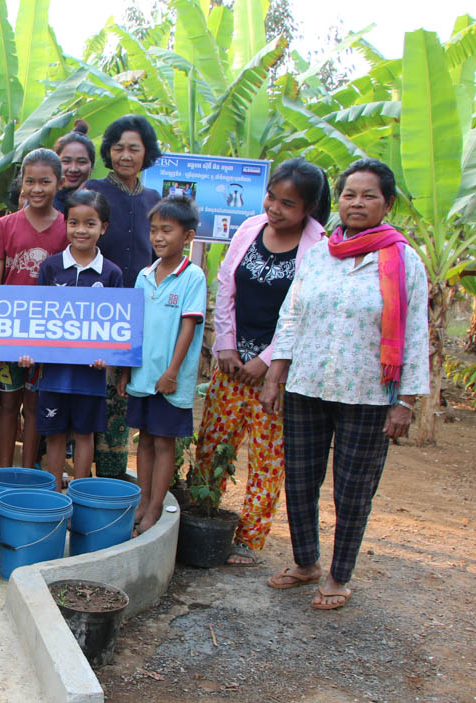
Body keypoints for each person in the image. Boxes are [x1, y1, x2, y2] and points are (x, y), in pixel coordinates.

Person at [261, 158, 428, 611]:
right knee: (299, 480)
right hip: (307, 385)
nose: (357, 203)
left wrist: (406, 401)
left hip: (369, 393)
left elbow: (414, 331)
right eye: (350, 194)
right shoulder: (319, 254)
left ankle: (339, 575)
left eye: (368, 195)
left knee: (353, 490)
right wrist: (275, 375)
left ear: (387, 203)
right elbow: (292, 316)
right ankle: (305, 562)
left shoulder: (404, 260)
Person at [196, 159, 330, 566]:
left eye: (287, 204)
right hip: (231, 365)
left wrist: (269, 360)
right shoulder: (251, 227)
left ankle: (249, 539)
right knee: (213, 445)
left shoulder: (319, 245)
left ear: (307, 208)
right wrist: (227, 345)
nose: (274, 208)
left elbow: (307, 311)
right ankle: (203, 514)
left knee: (268, 457)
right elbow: (227, 284)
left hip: (280, 373)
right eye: (272, 196)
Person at [18, 190, 122, 486]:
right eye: (74, 222)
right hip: (54, 372)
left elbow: (116, 325)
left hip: (91, 375)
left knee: (84, 433)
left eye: (90, 223)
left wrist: (109, 357)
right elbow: (37, 316)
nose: (81, 230)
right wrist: (28, 350)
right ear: (66, 224)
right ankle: (52, 492)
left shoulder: (111, 274)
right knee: (55, 432)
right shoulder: (50, 267)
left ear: (104, 227)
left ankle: (79, 491)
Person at [85, 115, 164, 484]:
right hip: (95, 307)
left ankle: (111, 481)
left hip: (141, 309)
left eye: (134, 148)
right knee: (89, 389)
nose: (125, 155)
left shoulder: (152, 199)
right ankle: (78, 477)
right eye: (118, 147)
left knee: (122, 393)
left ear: (146, 152)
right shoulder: (94, 191)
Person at [126, 196, 207, 534]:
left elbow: (188, 327)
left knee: (163, 442)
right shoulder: (144, 276)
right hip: (142, 375)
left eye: (167, 231)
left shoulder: (193, 277)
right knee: (144, 439)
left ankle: (155, 506)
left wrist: (172, 372)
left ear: (187, 237)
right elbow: (132, 325)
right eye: (154, 230)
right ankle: (143, 500)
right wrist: (125, 368)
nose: (158, 237)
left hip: (169, 378)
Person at [0, 148, 68, 469]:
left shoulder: (66, 228)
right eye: (30, 181)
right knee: (7, 403)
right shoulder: (5, 225)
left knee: (34, 404)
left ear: (58, 183)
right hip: (8, 330)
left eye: (44, 181)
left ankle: (26, 470)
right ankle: (5, 471)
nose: (36, 188)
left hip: (46, 333)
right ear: (22, 183)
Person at [54, 120, 94, 213]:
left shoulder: (99, 204)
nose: (73, 169)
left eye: (81, 162)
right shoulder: (43, 202)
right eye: (66, 161)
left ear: (91, 167)